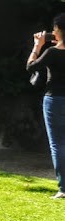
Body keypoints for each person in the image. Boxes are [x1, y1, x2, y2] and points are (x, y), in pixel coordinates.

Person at [27, 13, 65, 199]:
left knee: (57, 144)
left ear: (58, 30)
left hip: (55, 100)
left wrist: (38, 45)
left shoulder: (52, 53)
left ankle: (63, 188)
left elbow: (31, 66)